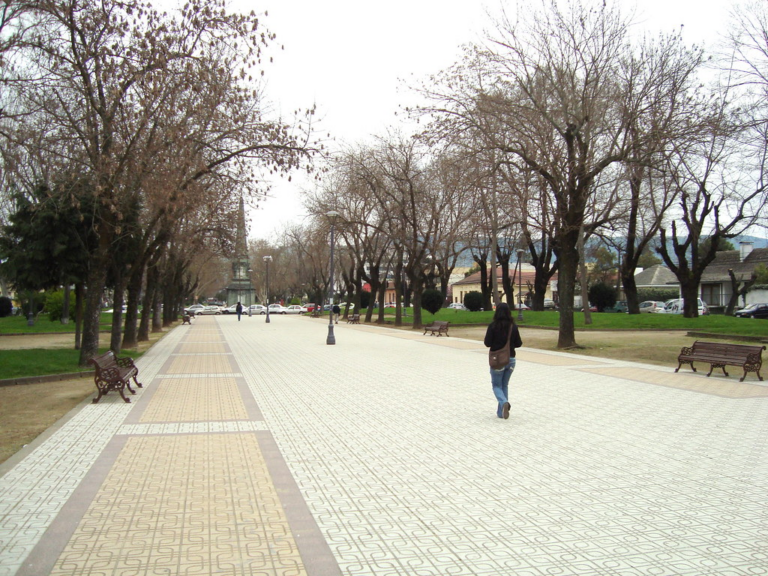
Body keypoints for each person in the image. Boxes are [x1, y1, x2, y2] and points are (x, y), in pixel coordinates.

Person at [484, 302, 523, 419]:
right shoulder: (513, 326)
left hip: (497, 361)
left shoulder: (493, 326)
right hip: (511, 360)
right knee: (504, 385)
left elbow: (487, 343)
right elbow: (519, 343)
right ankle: (501, 412)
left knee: (496, 385)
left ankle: (504, 403)